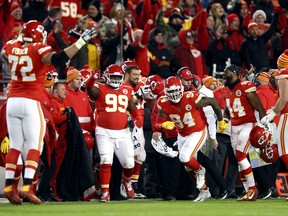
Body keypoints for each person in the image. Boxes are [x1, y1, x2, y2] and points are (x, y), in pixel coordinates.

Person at [2, 20, 96, 205]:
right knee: (35, 146)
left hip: (12, 100)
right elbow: (59, 58)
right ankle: (27, 187)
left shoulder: (11, 46)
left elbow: (12, 47)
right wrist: (79, 42)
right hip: (30, 100)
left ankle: (8, 188)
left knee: (15, 145)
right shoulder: (38, 49)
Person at [154, 76, 228, 202]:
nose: (174, 94)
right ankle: (204, 191)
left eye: (176, 91)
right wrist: (162, 126)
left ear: (181, 89)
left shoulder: (191, 97)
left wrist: (220, 120)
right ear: (166, 92)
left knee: (184, 157)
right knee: (187, 166)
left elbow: (213, 102)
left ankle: (201, 171)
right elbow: (157, 123)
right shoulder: (163, 102)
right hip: (182, 134)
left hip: (197, 131)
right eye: (171, 92)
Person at [84, 64, 144, 202]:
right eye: (113, 77)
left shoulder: (127, 89)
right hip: (104, 131)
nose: (116, 80)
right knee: (106, 161)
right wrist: (92, 79)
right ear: (106, 77)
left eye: (118, 77)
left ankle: (127, 181)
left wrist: (138, 116)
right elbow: (89, 89)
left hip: (123, 132)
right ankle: (105, 192)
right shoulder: (100, 88)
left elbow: (131, 105)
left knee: (129, 163)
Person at [222, 64, 267, 201]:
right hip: (234, 126)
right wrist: (224, 119)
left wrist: (264, 124)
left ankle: (253, 189)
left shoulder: (246, 86)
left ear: (236, 74)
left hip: (248, 124)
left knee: (241, 156)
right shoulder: (226, 90)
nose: (225, 75)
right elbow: (227, 108)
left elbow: (259, 106)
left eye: (227, 72)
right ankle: (248, 191)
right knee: (239, 159)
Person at [260, 68, 288, 201]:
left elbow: (283, 100)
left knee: (284, 152)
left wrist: (272, 113)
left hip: (285, 117)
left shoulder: (284, 75)